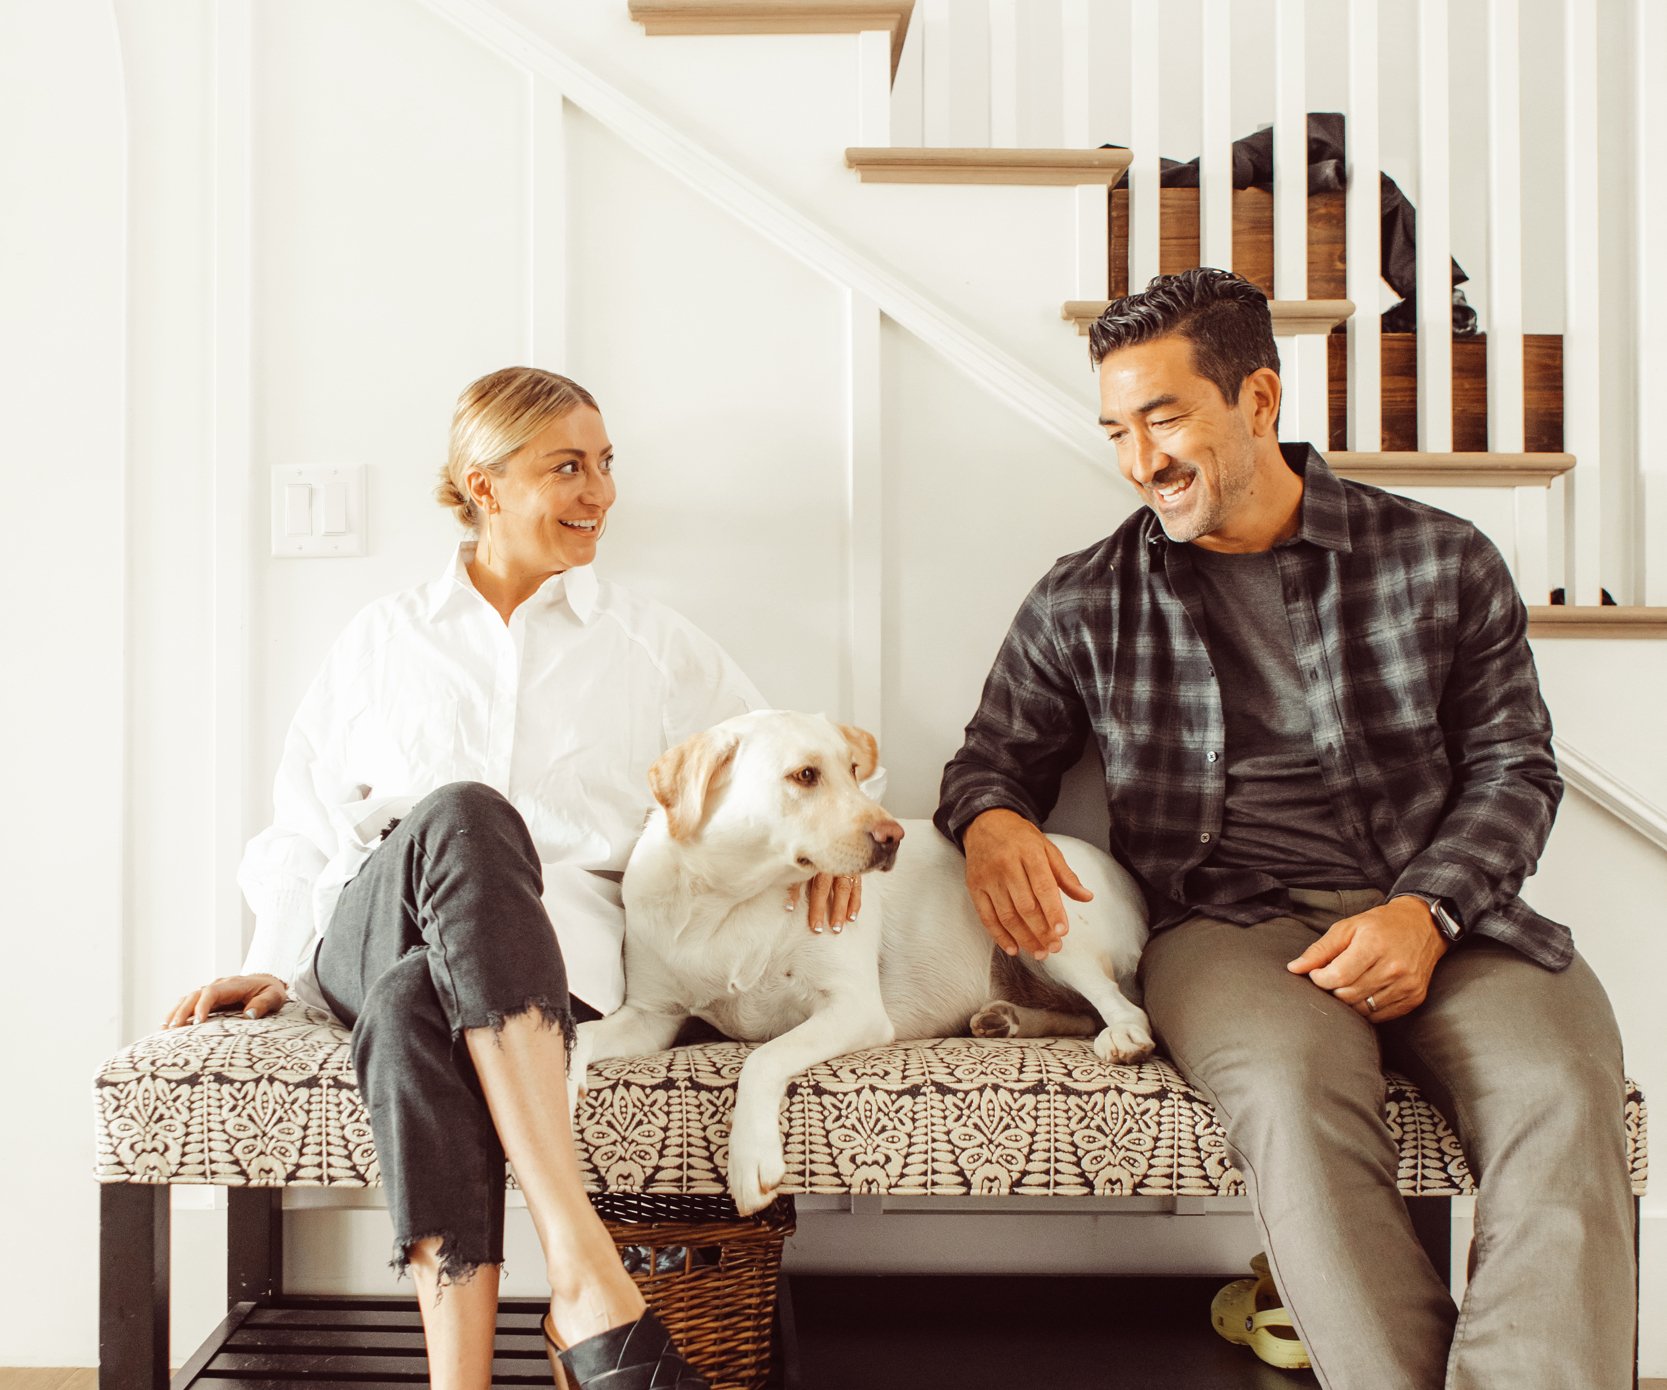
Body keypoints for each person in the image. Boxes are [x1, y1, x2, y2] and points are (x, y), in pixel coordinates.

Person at [934, 268, 1635, 1389]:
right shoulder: (1084, 599)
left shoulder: (1440, 559)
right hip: (1229, 930)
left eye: (1164, 417)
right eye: (1116, 428)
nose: (1138, 459)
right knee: (1290, 1097)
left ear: (1257, 399)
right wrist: (989, 821)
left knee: (1559, 1086)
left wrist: (1428, 909)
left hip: (1448, 912)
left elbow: (1514, 768)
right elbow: (988, 761)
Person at [164, 366, 862, 1390]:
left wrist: (825, 856)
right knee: (464, 813)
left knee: (416, 1004)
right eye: (567, 467)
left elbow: (771, 777)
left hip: (555, 959)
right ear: (483, 484)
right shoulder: (380, 640)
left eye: (606, 464)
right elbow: (305, 819)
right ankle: (582, 1269)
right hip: (373, 930)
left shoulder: (659, 648)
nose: (602, 493)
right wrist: (271, 961)